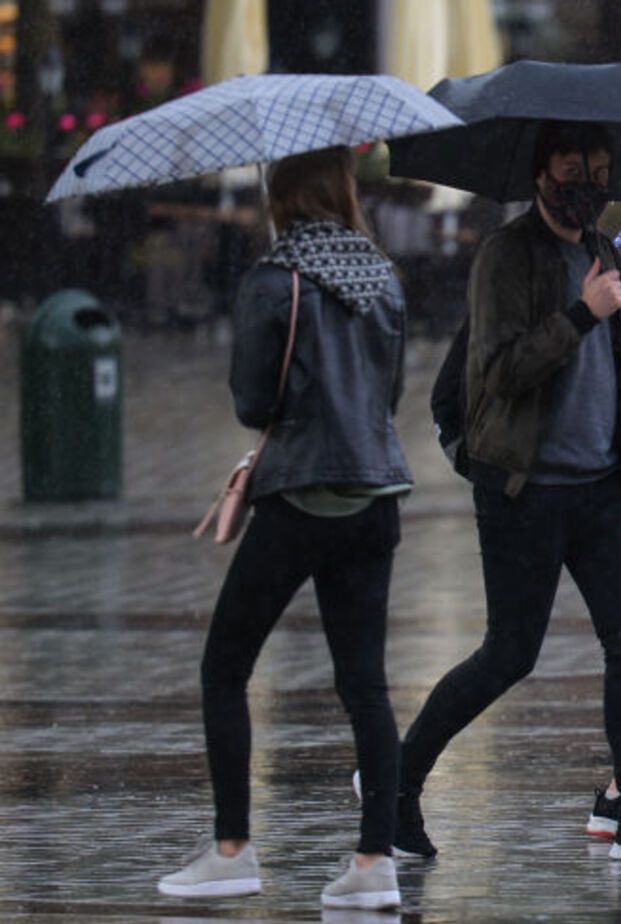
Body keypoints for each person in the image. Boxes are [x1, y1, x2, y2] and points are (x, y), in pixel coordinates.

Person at [395, 121, 621, 862]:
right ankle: (396, 786)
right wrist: (583, 313)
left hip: (603, 490)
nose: (590, 188)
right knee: (509, 653)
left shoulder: (602, 249)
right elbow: (501, 370)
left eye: (601, 173)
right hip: (525, 488)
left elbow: (618, 377)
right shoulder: (505, 257)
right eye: (576, 172)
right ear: (542, 173)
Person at [159, 147, 412, 910]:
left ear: (281, 197)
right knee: (365, 684)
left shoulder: (273, 280)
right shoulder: (383, 277)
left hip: (300, 496)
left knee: (226, 667)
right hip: (376, 495)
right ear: (342, 192)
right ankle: (375, 862)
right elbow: (390, 391)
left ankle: (232, 847)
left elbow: (252, 401)